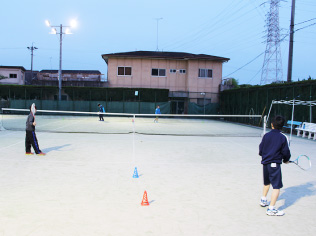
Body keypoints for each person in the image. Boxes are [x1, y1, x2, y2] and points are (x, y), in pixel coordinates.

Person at [259, 115, 291, 216]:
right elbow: (286, 152)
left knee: (266, 182)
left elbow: (261, 150)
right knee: (276, 187)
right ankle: (271, 209)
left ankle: (263, 200)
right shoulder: (283, 137)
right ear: (282, 126)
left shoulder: (266, 135)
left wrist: (265, 157)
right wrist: (286, 160)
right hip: (274, 164)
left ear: (272, 124)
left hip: (265, 163)